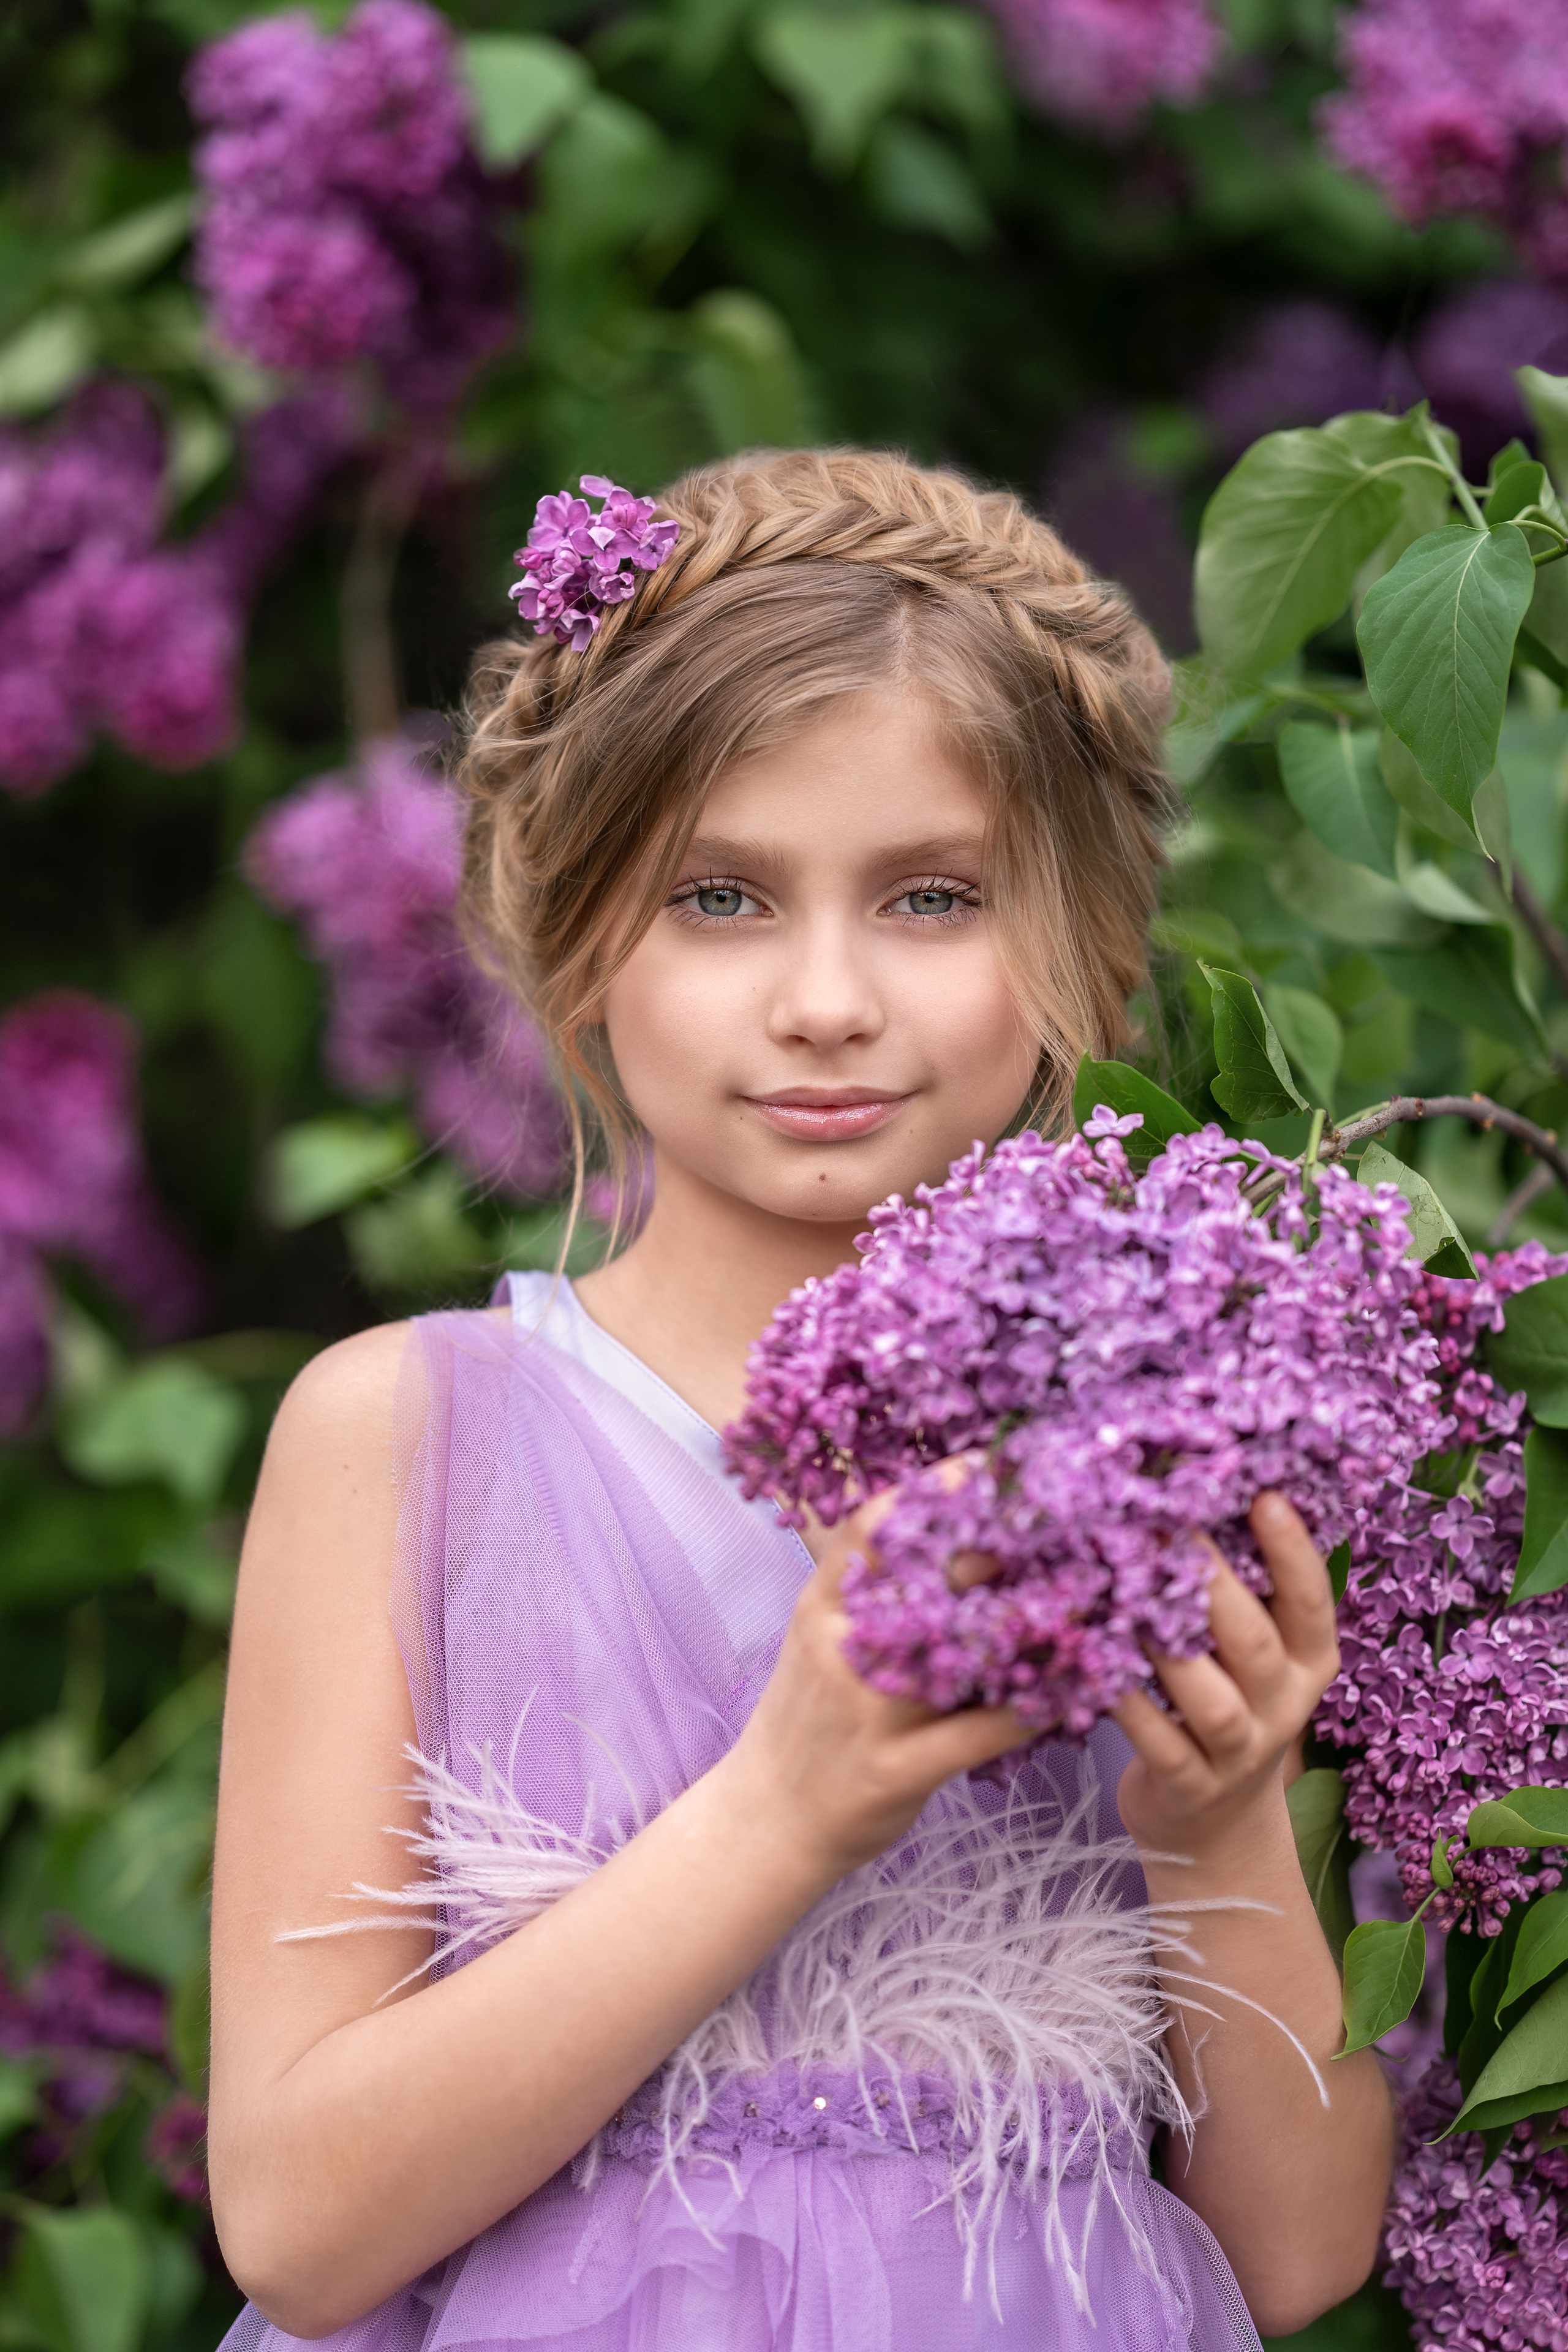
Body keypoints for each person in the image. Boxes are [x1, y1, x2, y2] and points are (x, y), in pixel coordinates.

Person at [208, 448, 1393, 2351]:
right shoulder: (412, 1437)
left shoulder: (1175, 1435)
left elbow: (1292, 2257)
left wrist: (1217, 1822)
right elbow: (298, 2224)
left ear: (1085, 938)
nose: (828, 998)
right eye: (721, 898)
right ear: (575, 931)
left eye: (932, 897)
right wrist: (787, 1804)